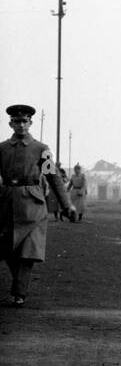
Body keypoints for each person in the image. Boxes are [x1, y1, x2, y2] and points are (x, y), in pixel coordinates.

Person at [2, 104, 76, 306]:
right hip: (7, 203)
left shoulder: (41, 150)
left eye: (25, 121)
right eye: (17, 121)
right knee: (9, 250)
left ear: (31, 123)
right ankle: (18, 287)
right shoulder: (2, 149)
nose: (21, 125)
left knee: (28, 252)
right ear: (11, 124)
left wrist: (67, 204)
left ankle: (19, 293)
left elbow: (54, 178)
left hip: (33, 206)